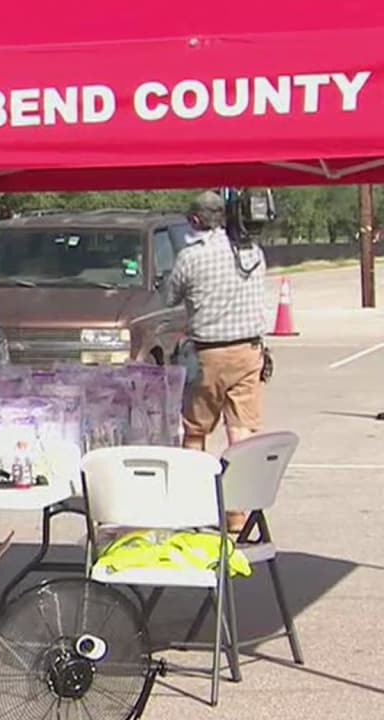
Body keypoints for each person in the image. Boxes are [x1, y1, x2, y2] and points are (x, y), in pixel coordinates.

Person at [167, 190, 267, 532]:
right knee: (240, 431)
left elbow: (170, 296)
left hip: (208, 353)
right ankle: (238, 512)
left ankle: (193, 506)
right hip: (249, 351)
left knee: (195, 430)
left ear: (195, 220)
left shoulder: (191, 257)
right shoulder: (251, 252)